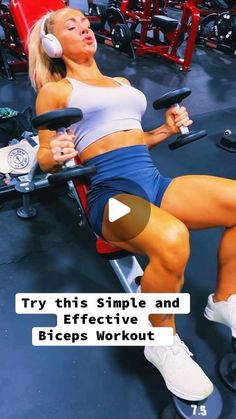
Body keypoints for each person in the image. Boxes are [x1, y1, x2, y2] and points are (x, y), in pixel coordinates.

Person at [28, 6, 236, 402]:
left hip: (153, 183)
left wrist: (163, 129)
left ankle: (224, 300)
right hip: (112, 199)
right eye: (72, 26)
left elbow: (131, 139)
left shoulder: (121, 82)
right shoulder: (56, 92)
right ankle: (160, 340)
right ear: (53, 45)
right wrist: (55, 152)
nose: (85, 29)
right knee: (173, 238)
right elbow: (43, 158)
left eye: (86, 23)